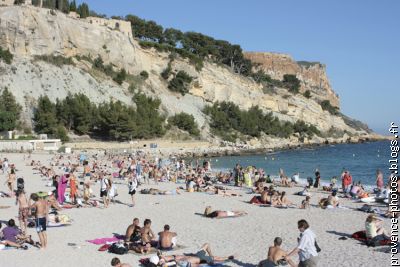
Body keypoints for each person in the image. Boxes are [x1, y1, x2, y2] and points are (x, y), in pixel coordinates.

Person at [158, 243, 234, 266]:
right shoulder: (183, 262)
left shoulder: (180, 260)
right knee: (215, 257)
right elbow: (197, 265)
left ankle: (226, 257)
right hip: (199, 258)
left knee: (207, 246)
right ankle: (227, 257)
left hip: (196, 257)